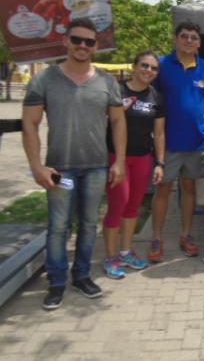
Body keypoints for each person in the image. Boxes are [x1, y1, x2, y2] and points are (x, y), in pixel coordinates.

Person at [22, 17, 126, 310]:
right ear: (65, 41)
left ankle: (81, 276)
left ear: (95, 46)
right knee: (58, 227)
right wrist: (36, 167)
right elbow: (30, 124)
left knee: (89, 224)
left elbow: (118, 121)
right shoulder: (44, 79)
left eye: (89, 42)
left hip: (96, 166)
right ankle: (56, 282)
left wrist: (119, 161)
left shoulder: (106, 82)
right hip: (59, 167)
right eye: (77, 40)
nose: (83, 46)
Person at [149, 22, 204, 262]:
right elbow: (151, 99)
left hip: (196, 142)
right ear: (176, 39)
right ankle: (156, 238)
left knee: (189, 188)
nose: (189, 40)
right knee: (163, 190)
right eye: (184, 36)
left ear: (199, 43)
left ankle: (185, 236)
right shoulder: (162, 66)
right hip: (167, 143)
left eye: (194, 37)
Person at [102, 51, 166, 279]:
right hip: (117, 158)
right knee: (117, 205)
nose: (148, 71)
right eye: (144, 65)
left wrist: (160, 163)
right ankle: (110, 257)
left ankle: (126, 251)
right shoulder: (117, 90)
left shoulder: (156, 96)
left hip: (143, 158)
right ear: (134, 66)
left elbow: (159, 134)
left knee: (133, 206)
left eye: (153, 68)